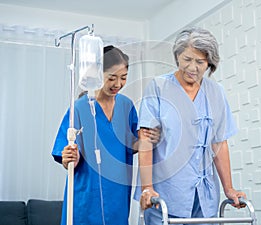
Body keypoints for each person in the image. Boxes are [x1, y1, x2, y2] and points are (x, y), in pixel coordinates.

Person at [136, 27, 247, 224]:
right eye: (187, 59)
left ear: (209, 63)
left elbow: (219, 144)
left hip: (204, 197)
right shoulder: (159, 87)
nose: (192, 67)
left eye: (200, 62)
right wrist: (147, 187)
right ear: (177, 57)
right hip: (165, 194)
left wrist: (228, 188)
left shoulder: (216, 92)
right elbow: (145, 139)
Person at [52, 45, 160, 225]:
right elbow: (65, 154)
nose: (118, 84)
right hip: (86, 194)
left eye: (123, 78)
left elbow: (131, 144)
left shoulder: (126, 106)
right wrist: (68, 157)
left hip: (117, 194)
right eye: (112, 78)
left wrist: (148, 140)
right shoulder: (80, 108)